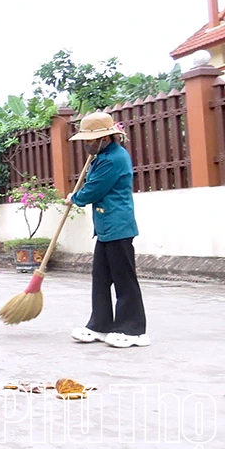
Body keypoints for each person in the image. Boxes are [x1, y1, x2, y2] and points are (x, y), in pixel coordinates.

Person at [66, 112, 148, 348]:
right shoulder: (103, 155)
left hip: (118, 226)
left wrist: (75, 198)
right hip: (106, 227)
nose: (86, 145)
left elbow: (95, 189)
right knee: (100, 278)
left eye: (90, 140)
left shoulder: (114, 159)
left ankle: (133, 330)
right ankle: (100, 325)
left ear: (104, 138)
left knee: (124, 279)